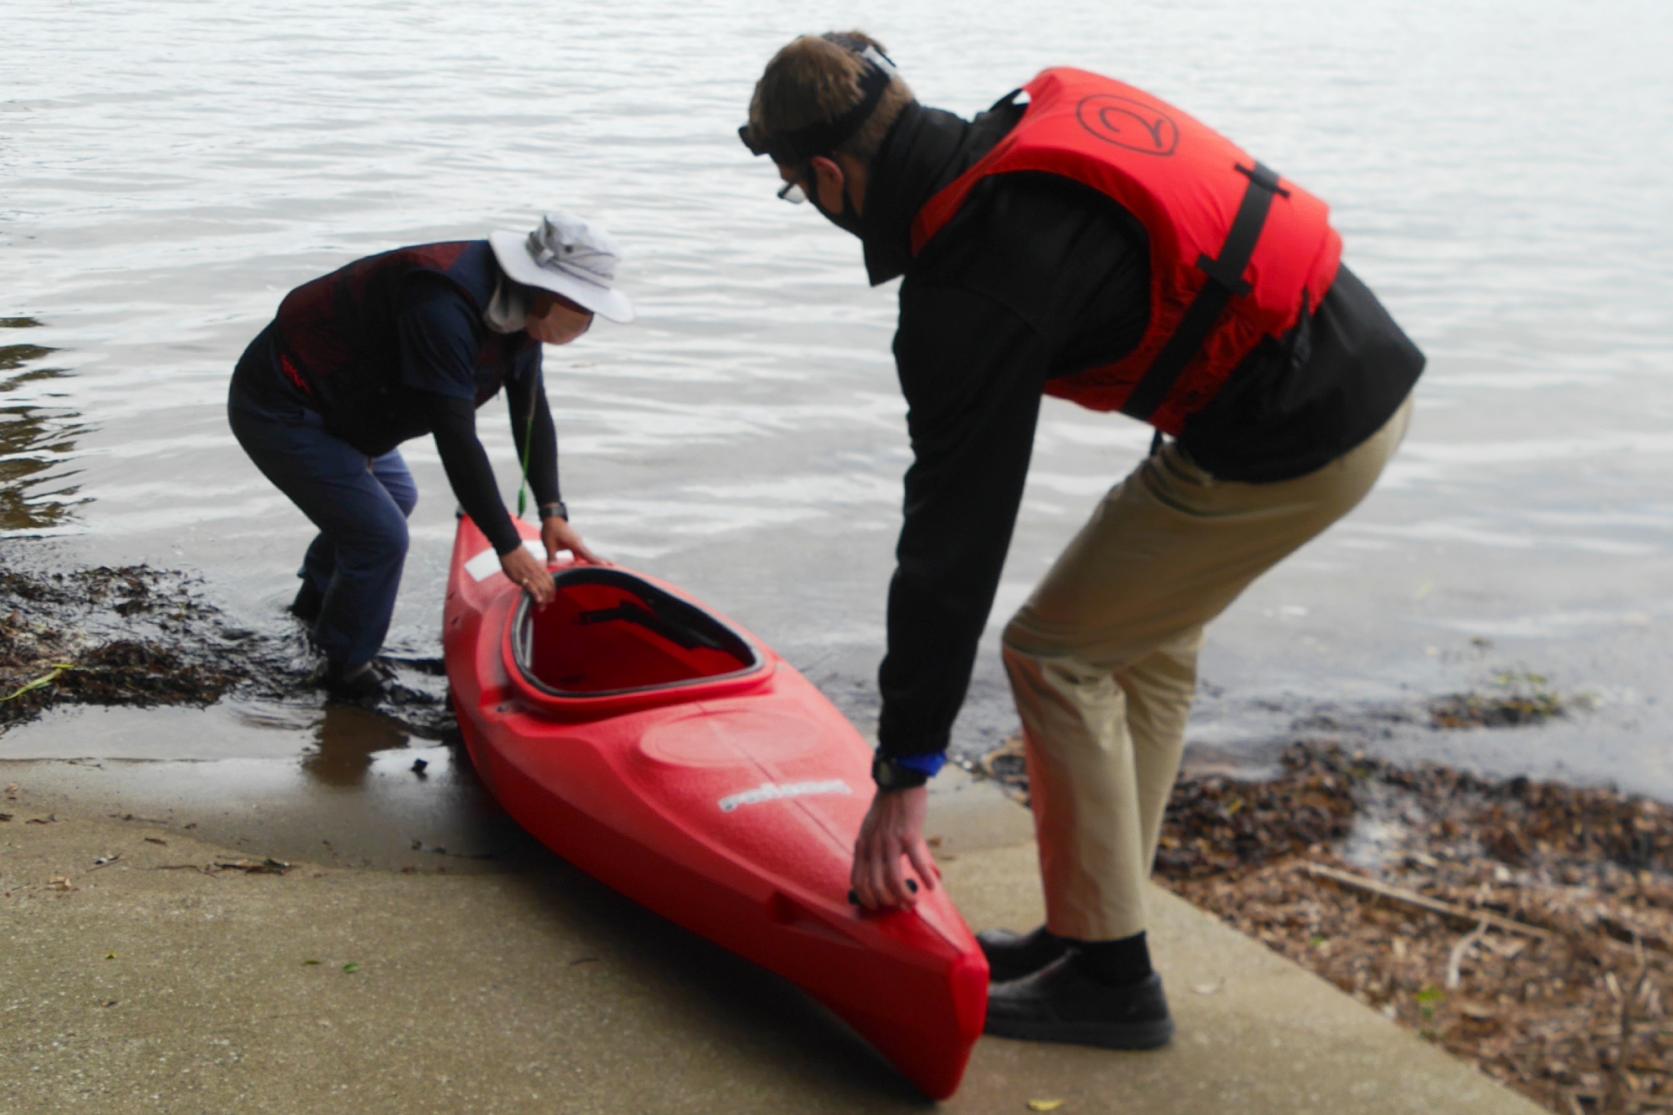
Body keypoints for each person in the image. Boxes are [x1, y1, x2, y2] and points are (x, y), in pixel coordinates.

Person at [740, 34, 1423, 1049]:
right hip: (1353, 371)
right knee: (1138, 645)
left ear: (829, 176)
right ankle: (1093, 928)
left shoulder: (967, 285)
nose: (814, 206)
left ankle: (1109, 979)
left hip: (1292, 428)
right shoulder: (1017, 133)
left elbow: (950, 541)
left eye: (798, 191)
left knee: (1052, 651)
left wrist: (900, 776)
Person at [228, 212, 634, 699]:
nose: (585, 322)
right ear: (545, 288)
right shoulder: (442, 303)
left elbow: (530, 411)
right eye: (581, 308)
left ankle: (312, 608)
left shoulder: (522, 313)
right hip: (284, 400)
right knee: (380, 536)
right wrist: (508, 546)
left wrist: (553, 511)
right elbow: (456, 436)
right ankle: (345, 672)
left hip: (349, 409)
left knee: (395, 497)